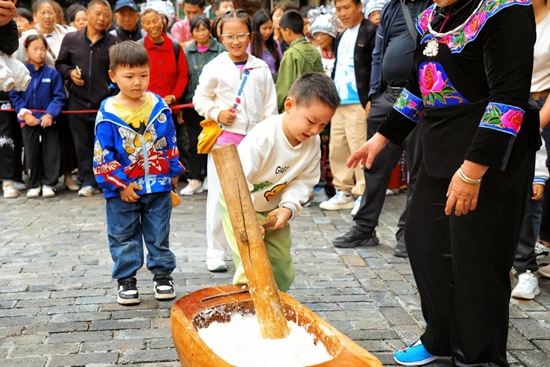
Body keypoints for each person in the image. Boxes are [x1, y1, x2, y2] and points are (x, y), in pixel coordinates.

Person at [348, 0, 539, 364]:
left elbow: (508, 100)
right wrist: (382, 137)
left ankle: (478, 354)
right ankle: (440, 339)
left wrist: (471, 173)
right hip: (440, 147)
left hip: (489, 157)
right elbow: (418, 88)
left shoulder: (506, 11)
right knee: (423, 243)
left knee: (477, 259)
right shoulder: (431, 19)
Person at [222, 72, 339, 291]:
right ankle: (248, 306)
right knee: (250, 262)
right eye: (311, 121)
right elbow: (237, 182)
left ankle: (277, 301)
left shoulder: (312, 144)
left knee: (281, 264)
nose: (315, 130)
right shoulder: (263, 137)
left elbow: (303, 182)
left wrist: (288, 208)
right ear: (289, 105)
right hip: (238, 203)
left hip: (272, 207)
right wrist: (247, 220)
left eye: (322, 125)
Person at [332, 0, 429, 254]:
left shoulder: (434, 5)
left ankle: (407, 234)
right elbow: (378, 53)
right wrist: (374, 94)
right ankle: (364, 227)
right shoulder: (391, 8)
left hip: (421, 99)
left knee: (417, 170)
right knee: (373, 165)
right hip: (387, 97)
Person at [94, 41, 183, 306]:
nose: (137, 82)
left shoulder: (158, 105)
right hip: (122, 191)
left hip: (158, 185)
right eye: (129, 76)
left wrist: (174, 171)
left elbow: (169, 141)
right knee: (123, 234)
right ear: (113, 76)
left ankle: (163, 275)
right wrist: (120, 184)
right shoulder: (108, 113)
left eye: (143, 75)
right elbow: (102, 154)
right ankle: (126, 280)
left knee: (159, 232)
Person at [193, 9, 277, 272]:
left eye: (241, 35)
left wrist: (267, 139)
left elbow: (269, 108)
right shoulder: (214, 68)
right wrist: (216, 112)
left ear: (250, 36)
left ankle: (246, 246)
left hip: (254, 144)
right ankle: (215, 251)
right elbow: (200, 99)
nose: (235, 41)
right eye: (229, 36)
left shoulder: (260, 67)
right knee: (219, 197)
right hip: (224, 144)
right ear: (220, 36)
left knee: (252, 197)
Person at [56, 0, 120, 197]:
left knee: (105, 144)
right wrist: (70, 73)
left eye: (106, 15)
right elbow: (61, 64)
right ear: (88, 14)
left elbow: (119, 70)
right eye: (98, 14)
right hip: (78, 102)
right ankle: (87, 180)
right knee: (82, 145)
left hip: (105, 103)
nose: (102, 19)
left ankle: (106, 180)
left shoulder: (114, 43)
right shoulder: (71, 39)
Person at [319, 0, 376, 213]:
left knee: (359, 147)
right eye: (339, 9)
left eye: (346, 7)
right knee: (338, 148)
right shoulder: (341, 36)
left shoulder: (371, 31)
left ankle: (363, 193)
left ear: (359, 6)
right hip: (339, 102)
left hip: (359, 102)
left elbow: (376, 65)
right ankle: (344, 191)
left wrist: (372, 97)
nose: (342, 13)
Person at [9, 35, 65, 198]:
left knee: (51, 151)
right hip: (28, 120)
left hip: (48, 120)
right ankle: (33, 183)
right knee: (31, 151)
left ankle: (49, 183)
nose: (39, 53)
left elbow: (59, 96)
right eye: (35, 49)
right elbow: (15, 95)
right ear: (26, 51)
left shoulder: (52, 74)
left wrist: (50, 114)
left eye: (42, 49)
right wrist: (24, 114)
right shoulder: (20, 72)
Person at [179, 14, 224, 196]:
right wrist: (181, 107)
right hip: (191, 104)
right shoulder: (187, 52)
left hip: (214, 105)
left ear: (209, 29)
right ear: (192, 32)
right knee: (195, 143)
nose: (200, 33)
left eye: (204, 28)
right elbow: (184, 78)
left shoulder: (220, 50)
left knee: (214, 141)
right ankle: (195, 178)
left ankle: (210, 177)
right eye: (196, 29)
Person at [511, 141, 548, 299]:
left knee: (527, 220)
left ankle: (525, 270)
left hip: (527, 175)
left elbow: (535, 143)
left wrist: (539, 177)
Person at [275, 10, 323, 113]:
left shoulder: (291, 53)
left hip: (296, 111)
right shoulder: (315, 51)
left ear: (287, 31)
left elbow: (283, 89)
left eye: (282, 31)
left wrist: (276, 109)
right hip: (315, 109)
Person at [0, 0, 21, 199]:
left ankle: (7, 180)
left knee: (5, 138)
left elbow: (10, 47)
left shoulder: (8, 19)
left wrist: (5, 22)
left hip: (2, 90)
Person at [14, 0, 71, 66]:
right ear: (35, 16)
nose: (47, 16)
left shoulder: (66, 34)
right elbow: (18, 61)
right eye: (42, 13)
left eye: (50, 13)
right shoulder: (28, 36)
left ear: (55, 15)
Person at [250, 9, 282, 82]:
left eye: (270, 28)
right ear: (257, 28)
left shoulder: (275, 44)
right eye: (264, 28)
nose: (268, 32)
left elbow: (280, 66)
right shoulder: (250, 46)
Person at [310, 13, 337, 77]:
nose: (318, 38)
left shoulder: (341, 51)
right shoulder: (315, 54)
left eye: (322, 34)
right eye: (316, 35)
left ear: (331, 35)